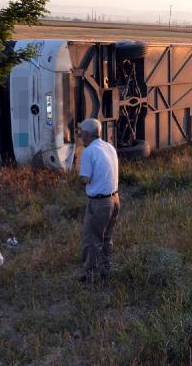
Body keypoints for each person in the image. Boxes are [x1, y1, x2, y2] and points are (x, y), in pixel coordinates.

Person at [78, 118, 120, 283]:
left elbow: (85, 179)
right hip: (115, 199)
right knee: (107, 238)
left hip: (100, 203)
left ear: (87, 134)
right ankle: (106, 272)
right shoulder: (109, 147)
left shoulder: (88, 152)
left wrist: (80, 176)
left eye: (81, 132)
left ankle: (91, 276)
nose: (80, 135)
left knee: (91, 240)